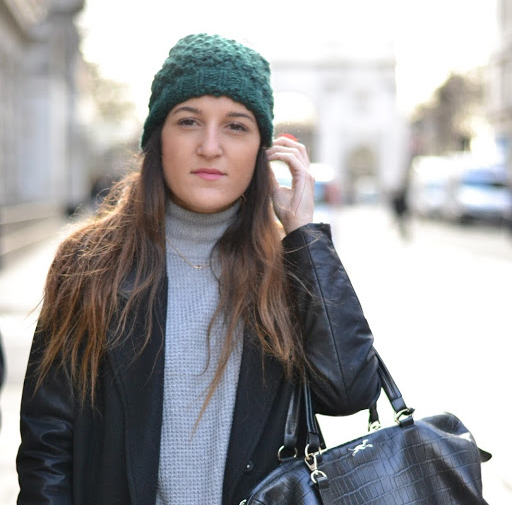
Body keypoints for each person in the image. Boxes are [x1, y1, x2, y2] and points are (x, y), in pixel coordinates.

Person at [16, 34, 381, 505]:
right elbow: (47, 443)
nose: (210, 147)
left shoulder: (289, 266)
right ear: (158, 138)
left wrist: (303, 235)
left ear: (263, 149)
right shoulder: (89, 263)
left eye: (236, 126)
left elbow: (350, 392)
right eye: (189, 121)